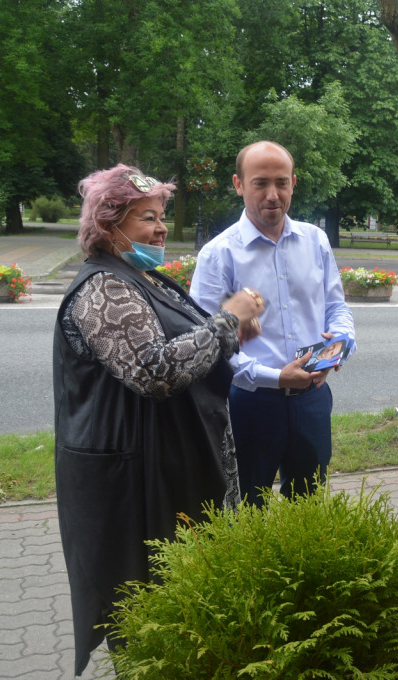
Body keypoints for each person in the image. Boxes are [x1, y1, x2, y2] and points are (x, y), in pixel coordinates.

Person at [53, 164, 264, 676]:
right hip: (136, 487)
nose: (162, 227)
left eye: (162, 215)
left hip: (171, 468)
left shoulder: (145, 278)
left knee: (190, 612)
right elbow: (154, 370)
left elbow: (185, 353)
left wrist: (231, 335)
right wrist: (227, 322)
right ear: (108, 225)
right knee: (151, 617)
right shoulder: (103, 288)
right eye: (147, 217)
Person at [191, 141, 355, 504]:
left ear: (294, 183)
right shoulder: (219, 255)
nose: (272, 194)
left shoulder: (316, 241)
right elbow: (205, 345)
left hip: (313, 398)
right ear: (238, 184)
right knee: (248, 507)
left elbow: (335, 305)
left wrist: (342, 341)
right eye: (259, 183)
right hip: (250, 404)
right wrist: (275, 376)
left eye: (281, 182)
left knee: (309, 506)